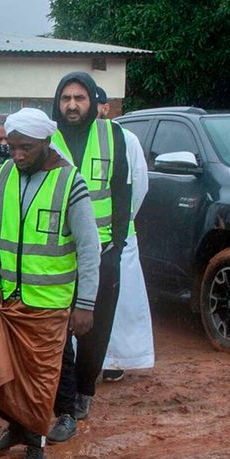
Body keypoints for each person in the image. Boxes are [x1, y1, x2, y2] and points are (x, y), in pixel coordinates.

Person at [0, 108, 100, 459]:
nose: (16, 155)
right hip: (8, 300)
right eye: (11, 147)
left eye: (25, 148)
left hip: (50, 303)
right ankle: (16, 427)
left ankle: (35, 444)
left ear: (46, 143)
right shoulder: (3, 175)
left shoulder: (70, 182)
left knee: (39, 381)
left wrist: (85, 304)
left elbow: (88, 249)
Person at [48, 73, 132, 444]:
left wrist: (117, 243)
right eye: (65, 98)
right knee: (60, 327)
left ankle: (85, 391)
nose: (72, 105)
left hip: (104, 252)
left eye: (79, 98)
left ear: (92, 101)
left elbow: (123, 189)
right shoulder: (46, 138)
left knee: (96, 328)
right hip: (59, 254)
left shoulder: (113, 135)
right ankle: (63, 396)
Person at [94, 87, 154, 379]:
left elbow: (139, 185)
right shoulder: (69, 138)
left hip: (119, 237)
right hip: (80, 240)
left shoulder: (125, 138)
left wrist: (122, 222)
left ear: (105, 108)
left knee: (118, 303)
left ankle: (113, 362)